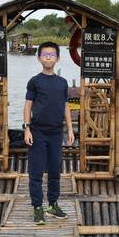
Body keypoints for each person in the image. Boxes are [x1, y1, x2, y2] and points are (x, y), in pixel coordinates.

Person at [23, 41, 75, 225]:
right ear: (39, 58)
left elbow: (65, 106)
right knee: (36, 172)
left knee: (54, 171)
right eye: (44, 54)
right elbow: (28, 105)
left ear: (57, 58)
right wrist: (26, 128)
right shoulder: (34, 81)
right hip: (37, 133)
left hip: (55, 134)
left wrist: (69, 129)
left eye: (52, 55)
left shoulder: (62, 83)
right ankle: (38, 208)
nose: (48, 57)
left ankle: (53, 205)